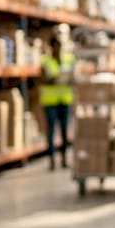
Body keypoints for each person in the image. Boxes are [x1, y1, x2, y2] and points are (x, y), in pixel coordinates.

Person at [40, 36, 75, 170]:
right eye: (56, 46)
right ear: (52, 47)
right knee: (51, 130)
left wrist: (68, 78)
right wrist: (53, 79)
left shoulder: (68, 59)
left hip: (65, 100)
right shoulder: (46, 60)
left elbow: (73, 77)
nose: (58, 49)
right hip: (50, 101)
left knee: (65, 129)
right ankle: (52, 160)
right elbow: (42, 79)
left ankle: (65, 158)